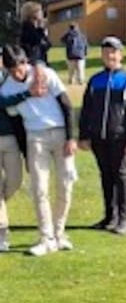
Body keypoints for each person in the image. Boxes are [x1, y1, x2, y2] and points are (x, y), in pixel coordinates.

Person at [0, 45, 77, 257]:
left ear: (26, 62)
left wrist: (71, 137)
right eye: (13, 69)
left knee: (65, 185)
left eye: (21, 66)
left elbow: (66, 104)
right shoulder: (6, 88)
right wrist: (26, 153)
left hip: (60, 132)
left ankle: (59, 233)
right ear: (6, 69)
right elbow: (16, 124)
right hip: (35, 137)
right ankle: (46, 237)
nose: (19, 72)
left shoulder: (46, 74)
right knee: (39, 189)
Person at [79, 37, 126, 235]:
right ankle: (109, 216)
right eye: (106, 53)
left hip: (120, 139)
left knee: (121, 176)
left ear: (121, 55)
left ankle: (124, 219)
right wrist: (84, 135)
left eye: (114, 52)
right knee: (106, 176)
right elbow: (86, 110)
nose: (110, 56)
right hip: (99, 138)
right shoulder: (95, 80)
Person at [0, 67, 35, 253]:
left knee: (15, 181)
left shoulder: (10, 79)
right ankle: (2, 235)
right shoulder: (15, 88)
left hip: (11, 139)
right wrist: (26, 94)